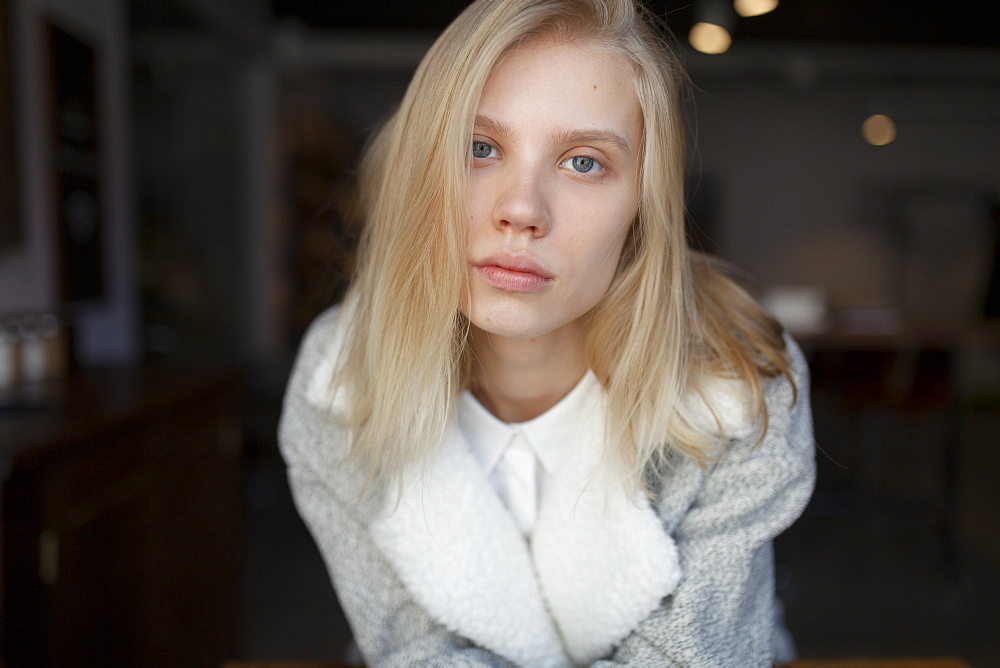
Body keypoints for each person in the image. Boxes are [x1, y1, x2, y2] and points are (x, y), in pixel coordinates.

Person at [279, 0, 816, 665]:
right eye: (480, 148)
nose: (521, 210)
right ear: (423, 171)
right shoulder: (339, 383)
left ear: (641, 211)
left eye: (583, 162)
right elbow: (417, 650)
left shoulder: (738, 380)